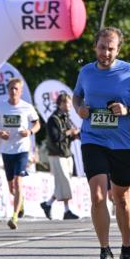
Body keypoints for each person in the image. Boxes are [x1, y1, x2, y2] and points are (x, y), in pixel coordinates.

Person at [72, 27, 130, 259]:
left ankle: (126, 250)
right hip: (93, 139)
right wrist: (80, 110)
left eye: (110, 48)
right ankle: (105, 251)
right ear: (95, 47)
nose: (105, 52)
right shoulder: (86, 72)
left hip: (124, 144)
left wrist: (128, 109)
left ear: (118, 49)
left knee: (121, 198)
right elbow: (76, 97)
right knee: (98, 195)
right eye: (101, 47)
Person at [0, 77, 40, 230]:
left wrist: (29, 131)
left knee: (18, 182)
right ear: (8, 90)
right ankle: (20, 202)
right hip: (6, 150)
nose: (13, 91)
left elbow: (37, 124)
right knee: (12, 187)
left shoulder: (27, 107)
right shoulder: (1, 107)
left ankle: (14, 216)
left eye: (16, 89)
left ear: (21, 91)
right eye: (11, 88)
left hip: (22, 149)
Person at [40, 92, 80, 220]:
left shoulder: (65, 118)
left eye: (69, 102)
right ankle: (66, 210)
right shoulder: (53, 119)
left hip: (66, 154)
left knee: (61, 183)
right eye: (66, 102)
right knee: (65, 182)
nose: (69, 105)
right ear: (60, 104)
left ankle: (48, 204)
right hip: (57, 155)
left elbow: (67, 138)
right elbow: (55, 137)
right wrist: (70, 132)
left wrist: (75, 135)